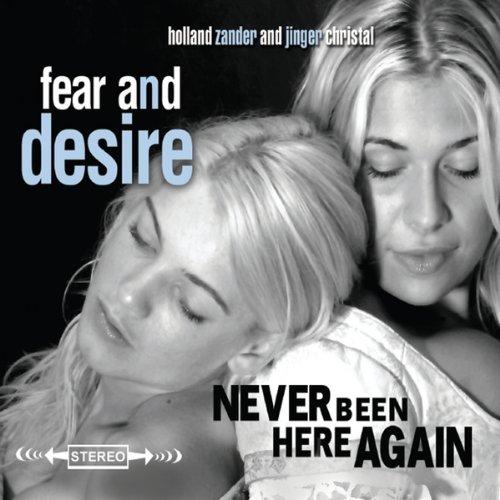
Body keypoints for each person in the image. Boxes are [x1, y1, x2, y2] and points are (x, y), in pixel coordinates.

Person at [0, 115, 366, 499]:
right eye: (142, 238)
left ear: (256, 347)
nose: (130, 294)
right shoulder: (94, 388)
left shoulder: (148, 459)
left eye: (188, 304)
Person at [234, 1, 500, 499]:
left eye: (466, 167)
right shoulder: (324, 370)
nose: (427, 214)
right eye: (383, 168)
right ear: (330, 163)